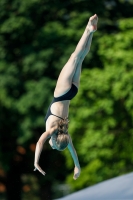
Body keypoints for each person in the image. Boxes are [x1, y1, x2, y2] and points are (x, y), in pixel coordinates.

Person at [34, 14, 98, 180]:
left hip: (72, 93)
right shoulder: (53, 130)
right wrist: (36, 162)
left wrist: (77, 166)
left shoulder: (66, 135)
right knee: (75, 57)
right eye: (54, 146)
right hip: (61, 93)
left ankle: (91, 32)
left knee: (81, 58)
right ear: (55, 140)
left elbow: (73, 152)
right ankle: (88, 29)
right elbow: (40, 142)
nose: (53, 147)